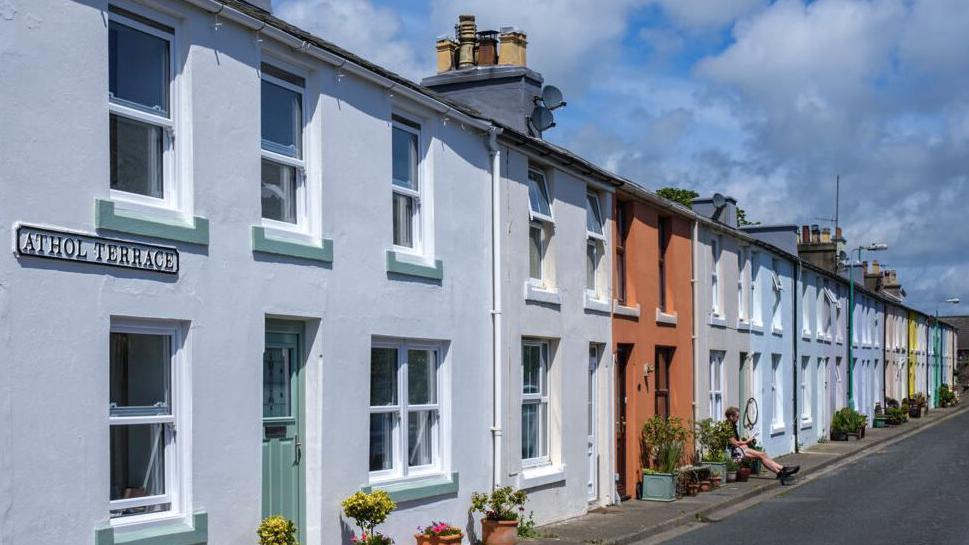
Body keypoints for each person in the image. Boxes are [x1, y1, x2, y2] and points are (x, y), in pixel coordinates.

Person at [725, 406, 799, 479]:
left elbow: (738, 440)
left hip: (741, 449)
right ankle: (782, 470)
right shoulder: (728, 427)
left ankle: (780, 471)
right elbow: (734, 443)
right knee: (762, 455)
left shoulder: (732, 426)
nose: (738, 419)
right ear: (731, 416)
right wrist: (747, 441)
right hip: (737, 453)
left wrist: (746, 441)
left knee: (763, 455)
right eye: (737, 417)